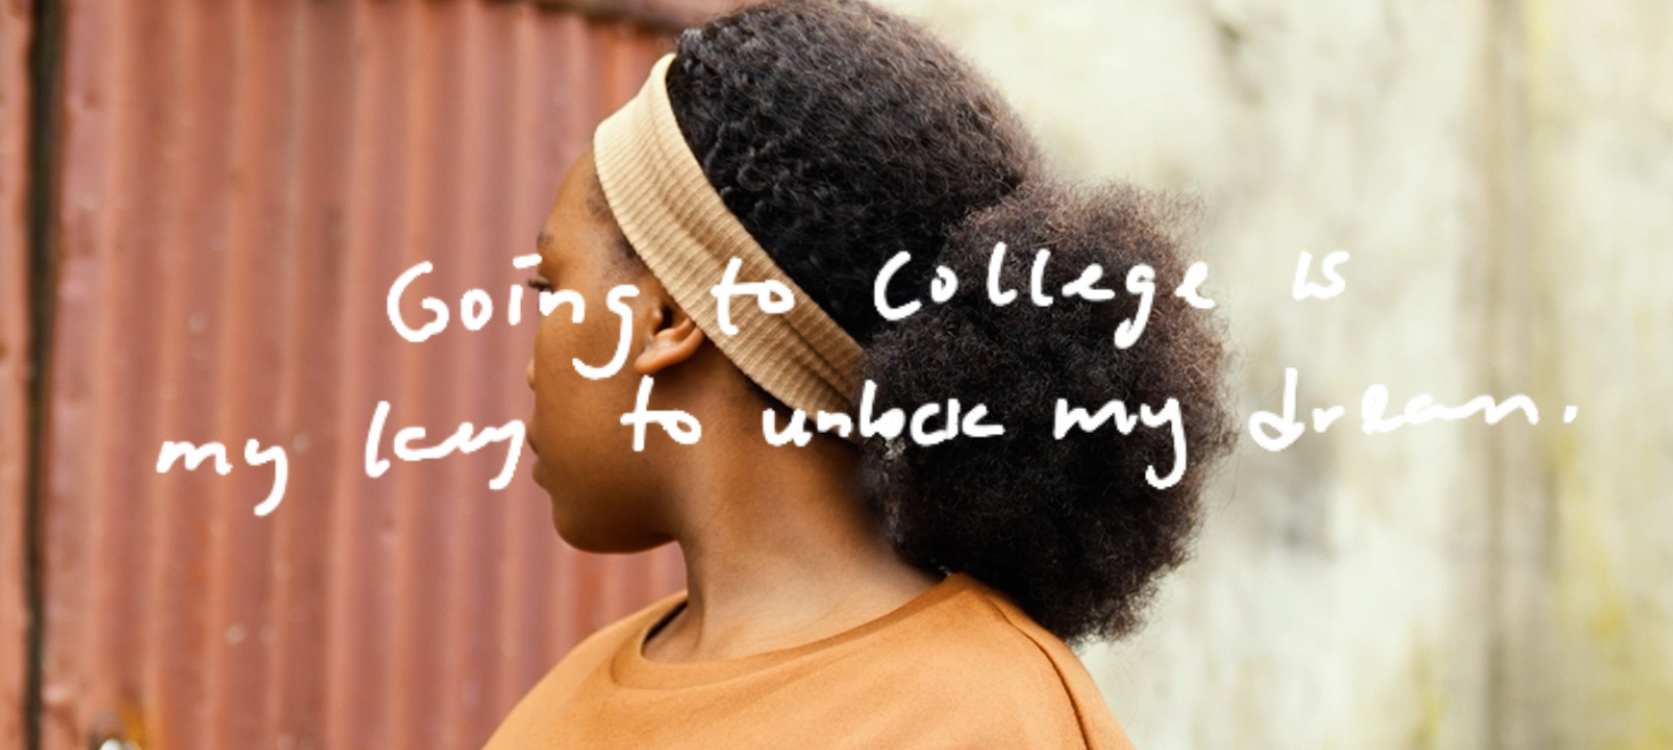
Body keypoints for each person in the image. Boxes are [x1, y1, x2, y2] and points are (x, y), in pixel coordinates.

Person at [484, 1, 1234, 747]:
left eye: (550, 286)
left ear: (668, 316)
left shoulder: (992, 717)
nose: (525, 366)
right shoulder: (561, 706)